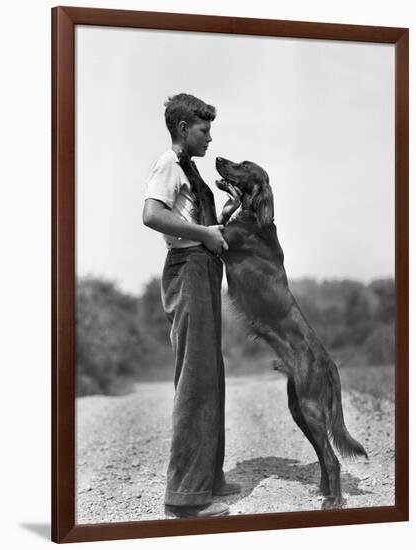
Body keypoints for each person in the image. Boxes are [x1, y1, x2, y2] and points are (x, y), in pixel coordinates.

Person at [142, 93, 241, 518]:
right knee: (194, 381)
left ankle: (209, 479)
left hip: (204, 269)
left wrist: (225, 218)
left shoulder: (190, 169)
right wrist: (204, 233)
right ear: (183, 128)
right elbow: (151, 215)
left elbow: (195, 221)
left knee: (210, 374)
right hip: (187, 269)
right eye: (204, 130)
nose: (210, 138)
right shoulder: (168, 162)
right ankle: (183, 501)